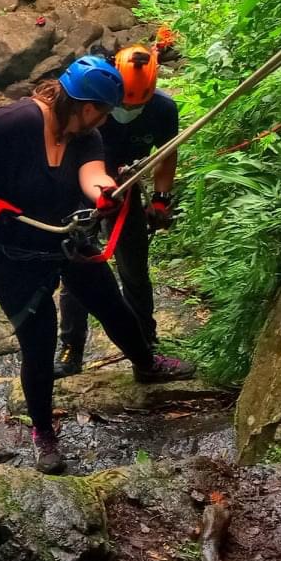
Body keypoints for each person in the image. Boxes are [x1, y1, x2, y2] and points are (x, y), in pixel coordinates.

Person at [0, 55, 195, 475]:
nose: (105, 121)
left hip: (65, 241)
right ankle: (43, 432)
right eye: (104, 113)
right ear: (88, 107)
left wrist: (105, 193)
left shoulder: (85, 136)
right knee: (37, 341)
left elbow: (92, 175)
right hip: (10, 253)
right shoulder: (18, 120)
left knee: (112, 305)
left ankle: (147, 365)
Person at [55, 45, 182, 376]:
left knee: (134, 268)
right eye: (123, 103)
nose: (128, 110)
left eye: (136, 106)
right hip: (83, 186)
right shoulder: (94, 104)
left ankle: (145, 345)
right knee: (79, 269)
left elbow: (166, 155)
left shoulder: (162, 110)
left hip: (126, 188)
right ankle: (71, 349)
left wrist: (160, 199)